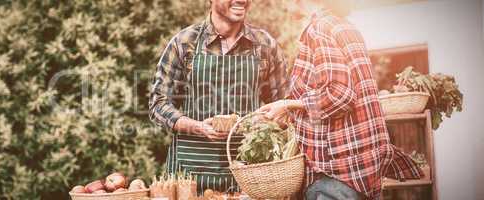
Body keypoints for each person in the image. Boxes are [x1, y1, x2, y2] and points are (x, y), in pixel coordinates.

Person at [258, 0, 423, 199]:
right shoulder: (344, 26)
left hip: (336, 174)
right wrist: (293, 112)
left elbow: (340, 95)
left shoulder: (319, 29)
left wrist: (288, 104)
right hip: (359, 169)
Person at [149, 0, 287, 194]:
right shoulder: (184, 42)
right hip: (189, 178)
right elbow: (158, 104)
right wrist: (196, 126)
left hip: (248, 175)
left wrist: (262, 122)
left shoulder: (265, 45)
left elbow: (285, 107)